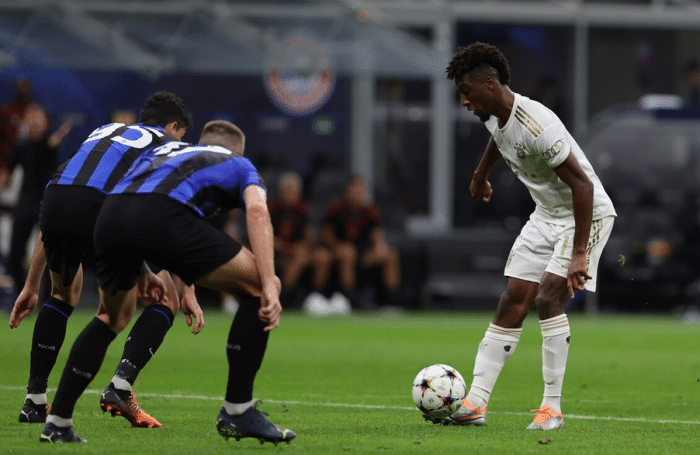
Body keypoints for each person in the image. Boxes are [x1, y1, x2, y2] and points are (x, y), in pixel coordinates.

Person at [39, 120, 295, 445]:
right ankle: (238, 409)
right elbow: (257, 211)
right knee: (257, 286)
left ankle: (58, 422)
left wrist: (153, 275)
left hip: (110, 216)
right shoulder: (240, 164)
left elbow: (152, 217)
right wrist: (269, 280)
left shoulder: (164, 154)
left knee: (111, 317)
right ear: (236, 150)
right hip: (159, 216)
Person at [443, 42, 616, 430]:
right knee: (511, 301)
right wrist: (480, 174)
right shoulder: (494, 113)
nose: (464, 102)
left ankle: (552, 409)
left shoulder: (539, 126)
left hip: (586, 215)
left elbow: (583, 187)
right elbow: (499, 136)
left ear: (490, 84)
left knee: (549, 297)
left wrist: (579, 254)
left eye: (467, 92)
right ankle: (476, 403)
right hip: (546, 214)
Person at [9, 92, 203, 430]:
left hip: (55, 200)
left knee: (63, 294)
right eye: (182, 134)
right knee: (154, 302)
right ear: (173, 126)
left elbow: (71, 195)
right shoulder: (167, 146)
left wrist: (30, 285)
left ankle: (34, 401)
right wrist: (188, 290)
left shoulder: (105, 131)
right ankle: (117, 389)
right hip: (101, 209)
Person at [7, 104, 72, 297]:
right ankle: (22, 295)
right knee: (14, 254)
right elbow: (7, 174)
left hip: (46, 204)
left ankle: (46, 300)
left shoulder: (49, 143)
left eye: (38, 118)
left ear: (45, 122)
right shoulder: (21, 147)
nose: (34, 122)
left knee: (50, 254)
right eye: (31, 118)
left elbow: (52, 143)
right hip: (25, 204)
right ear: (25, 122)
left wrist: (58, 139)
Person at [320, 176, 401, 310]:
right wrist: (337, 247)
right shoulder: (336, 208)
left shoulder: (370, 211)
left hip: (364, 252)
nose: (357, 195)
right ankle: (350, 298)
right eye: (354, 192)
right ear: (348, 192)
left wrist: (379, 247)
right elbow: (326, 233)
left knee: (391, 255)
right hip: (340, 250)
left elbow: (376, 234)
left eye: (360, 192)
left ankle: (391, 301)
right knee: (348, 253)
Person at [268, 171, 331, 307]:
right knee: (298, 258)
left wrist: (304, 246)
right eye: (287, 190)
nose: (290, 194)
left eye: (293, 191)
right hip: (276, 253)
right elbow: (266, 237)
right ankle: (284, 298)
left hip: (301, 251)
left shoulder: (304, 209)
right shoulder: (271, 209)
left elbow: (310, 235)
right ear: (280, 191)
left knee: (323, 257)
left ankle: (316, 297)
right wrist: (288, 249)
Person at [0, 77, 32, 189]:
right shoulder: (6, 112)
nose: (23, 92)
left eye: (25, 88)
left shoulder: (35, 113)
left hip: (29, 167)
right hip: (8, 165)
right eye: (20, 88)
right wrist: (3, 167)